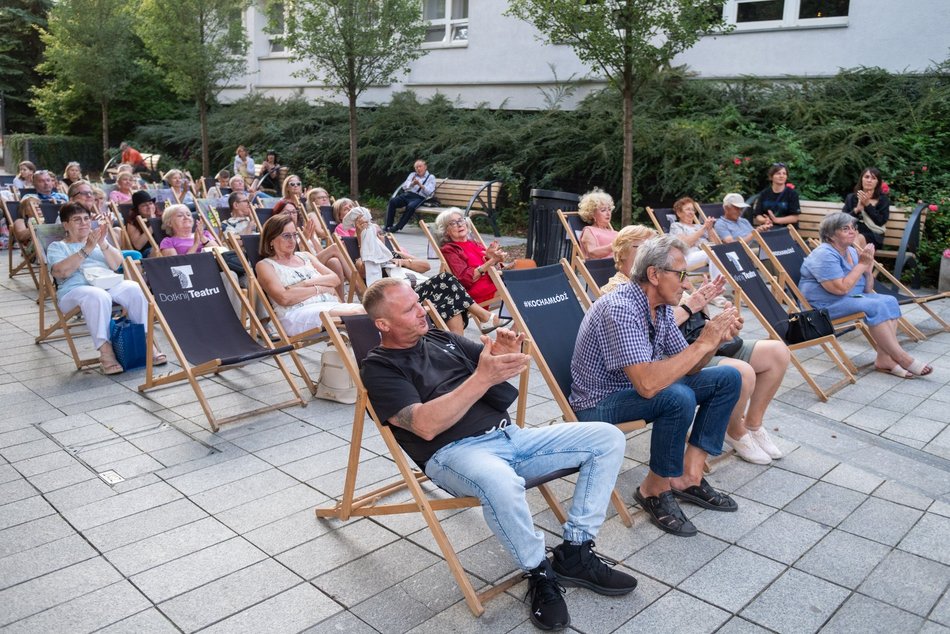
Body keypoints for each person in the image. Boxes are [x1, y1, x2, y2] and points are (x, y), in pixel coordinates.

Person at [360, 278, 638, 630]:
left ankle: (576, 553)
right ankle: (538, 572)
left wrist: (503, 352)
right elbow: (425, 425)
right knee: (500, 482)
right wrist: (482, 377)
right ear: (383, 324)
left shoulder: (441, 338)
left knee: (607, 438)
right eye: (409, 308)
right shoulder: (380, 367)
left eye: (418, 301)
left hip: (509, 437)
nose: (422, 310)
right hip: (455, 454)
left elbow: (493, 363)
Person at [571, 235, 742, 537]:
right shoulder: (620, 308)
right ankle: (654, 489)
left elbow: (689, 364)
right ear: (654, 274)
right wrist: (702, 342)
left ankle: (689, 477)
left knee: (727, 377)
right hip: (598, 403)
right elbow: (648, 386)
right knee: (677, 396)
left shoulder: (659, 307)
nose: (686, 284)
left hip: (632, 390)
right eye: (681, 275)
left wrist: (713, 342)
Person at [800, 212, 932, 377]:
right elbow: (840, 289)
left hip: (847, 299)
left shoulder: (851, 251)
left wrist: (868, 272)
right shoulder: (824, 254)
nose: (853, 231)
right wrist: (862, 265)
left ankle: (884, 359)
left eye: (853, 227)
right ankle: (902, 357)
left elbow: (867, 290)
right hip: (823, 307)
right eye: (845, 229)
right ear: (830, 235)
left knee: (889, 300)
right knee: (874, 305)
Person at [47, 202, 165, 375]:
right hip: (74, 290)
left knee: (133, 288)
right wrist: (86, 249)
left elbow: (117, 265)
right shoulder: (57, 247)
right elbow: (61, 272)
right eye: (77, 219)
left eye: (86, 218)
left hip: (106, 284)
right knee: (97, 296)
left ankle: (146, 342)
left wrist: (103, 243)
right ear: (65, 225)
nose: (84, 223)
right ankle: (106, 352)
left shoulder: (98, 243)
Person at [347, 207, 501, 334]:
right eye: (374, 235)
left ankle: (459, 345)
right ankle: (483, 316)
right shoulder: (366, 261)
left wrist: (404, 261)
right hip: (402, 297)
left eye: (381, 233)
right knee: (446, 280)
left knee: (451, 300)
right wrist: (362, 237)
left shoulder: (394, 255)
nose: (379, 237)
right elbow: (364, 269)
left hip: (421, 289)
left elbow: (425, 266)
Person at [255, 215, 363, 336]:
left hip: (328, 307)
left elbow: (335, 279)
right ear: (271, 239)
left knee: (370, 311)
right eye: (286, 236)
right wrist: (322, 288)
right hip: (296, 315)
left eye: (294, 235)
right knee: (358, 312)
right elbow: (284, 298)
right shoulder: (265, 265)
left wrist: (305, 284)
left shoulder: (305, 256)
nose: (292, 240)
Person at [599, 225, 658, 294]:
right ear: (622, 253)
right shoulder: (615, 289)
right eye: (644, 248)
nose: (651, 253)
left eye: (654, 249)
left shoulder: (653, 283)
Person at [842, 167, 889, 250]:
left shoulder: (883, 200)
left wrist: (867, 205)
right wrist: (856, 210)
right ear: (861, 179)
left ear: (877, 182)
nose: (869, 180)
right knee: (851, 236)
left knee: (856, 238)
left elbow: (881, 221)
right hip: (853, 231)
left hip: (873, 235)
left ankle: (856, 258)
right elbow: (843, 220)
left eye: (873, 178)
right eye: (866, 177)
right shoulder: (851, 198)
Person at [384, 159, 436, 233]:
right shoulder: (412, 175)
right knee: (392, 201)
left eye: (420, 166)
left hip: (419, 197)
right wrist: (412, 184)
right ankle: (388, 226)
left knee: (411, 207)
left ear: (425, 167)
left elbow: (430, 193)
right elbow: (404, 187)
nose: (418, 169)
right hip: (408, 195)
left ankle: (397, 227)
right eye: (416, 167)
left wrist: (420, 185)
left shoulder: (431, 177)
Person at [668, 196, 714, 268]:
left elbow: (717, 243)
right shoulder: (676, 226)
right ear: (679, 213)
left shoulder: (699, 226)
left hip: (707, 252)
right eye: (688, 209)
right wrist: (704, 228)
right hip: (689, 256)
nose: (691, 212)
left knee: (722, 251)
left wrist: (710, 229)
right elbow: (684, 244)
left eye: (692, 210)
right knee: (714, 254)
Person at [753, 163, 800, 227]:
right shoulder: (764, 194)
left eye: (784, 174)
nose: (781, 176)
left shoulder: (792, 194)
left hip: (787, 229)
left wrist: (776, 220)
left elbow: (795, 218)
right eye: (778, 173)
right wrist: (765, 220)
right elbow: (758, 215)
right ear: (771, 177)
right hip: (768, 228)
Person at [577, 188, 618, 259]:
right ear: (593, 214)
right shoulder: (589, 231)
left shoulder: (614, 233)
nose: (608, 213)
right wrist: (612, 246)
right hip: (602, 265)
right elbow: (592, 253)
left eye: (609, 209)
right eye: (603, 210)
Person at [125, 191, 159, 257]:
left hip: (165, 247)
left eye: (150, 203)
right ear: (137, 209)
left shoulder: (162, 216)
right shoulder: (133, 222)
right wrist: (153, 223)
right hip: (148, 251)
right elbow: (138, 246)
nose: (149, 207)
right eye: (144, 205)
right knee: (158, 249)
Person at [11, 197, 45, 262]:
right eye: (32, 204)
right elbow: (21, 237)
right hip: (34, 252)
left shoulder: (48, 219)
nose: (37, 206)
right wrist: (38, 226)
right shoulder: (21, 221)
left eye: (38, 204)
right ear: (25, 211)